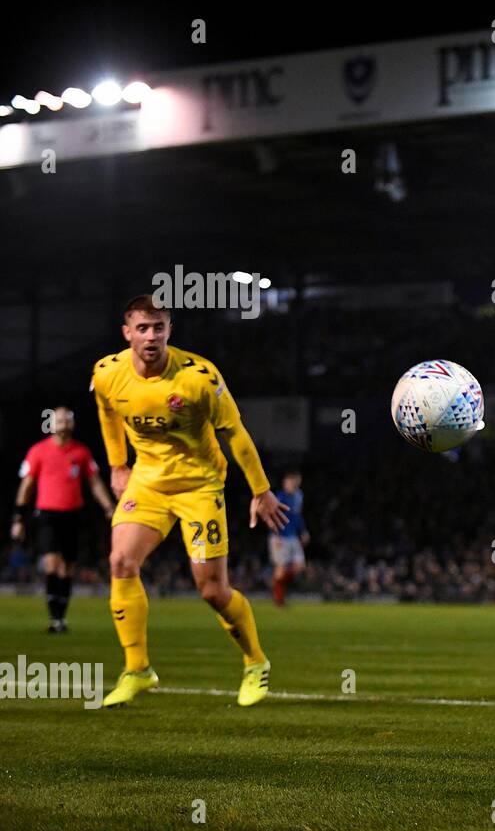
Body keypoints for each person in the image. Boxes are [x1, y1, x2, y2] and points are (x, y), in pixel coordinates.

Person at [92, 295, 288, 708]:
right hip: (147, 481)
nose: (151, 336)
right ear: (126, 332)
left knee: (212, 591)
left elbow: (234, 432)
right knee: (121, 562)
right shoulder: (108, 373)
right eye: (142, 328)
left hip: (199, 486)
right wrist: (116, 465)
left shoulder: (199, 377)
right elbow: (107, 412)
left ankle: (255, 662)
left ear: (169, 330)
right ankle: (138, 669)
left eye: (158, 327)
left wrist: (261, 489)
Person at [10, 406, 115, 632]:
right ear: (51, 424)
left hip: (72, 513)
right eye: (59, 420)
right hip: (47, 513)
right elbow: (26, 486)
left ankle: (61, 618)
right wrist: (19, 518)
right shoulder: (38, 451)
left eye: (67, 420)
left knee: (67, 566)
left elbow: (94, 482)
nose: (63, 424)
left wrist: (108, 507)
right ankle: (54, 617)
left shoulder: (81, 452)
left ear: (72, 424)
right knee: (51, 563)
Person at [269, 470, 308, 606]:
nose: (288, 485)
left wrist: (303, 531)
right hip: (281, 537)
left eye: (291, 483)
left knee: (299, 566)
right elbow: (273, 517)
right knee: (280, 568)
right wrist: (276, 535)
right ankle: (278, 599)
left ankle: (278, 587)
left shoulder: (298, 496)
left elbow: (297, 515)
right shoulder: (279, 497)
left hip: (292, 536)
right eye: (287, 483)